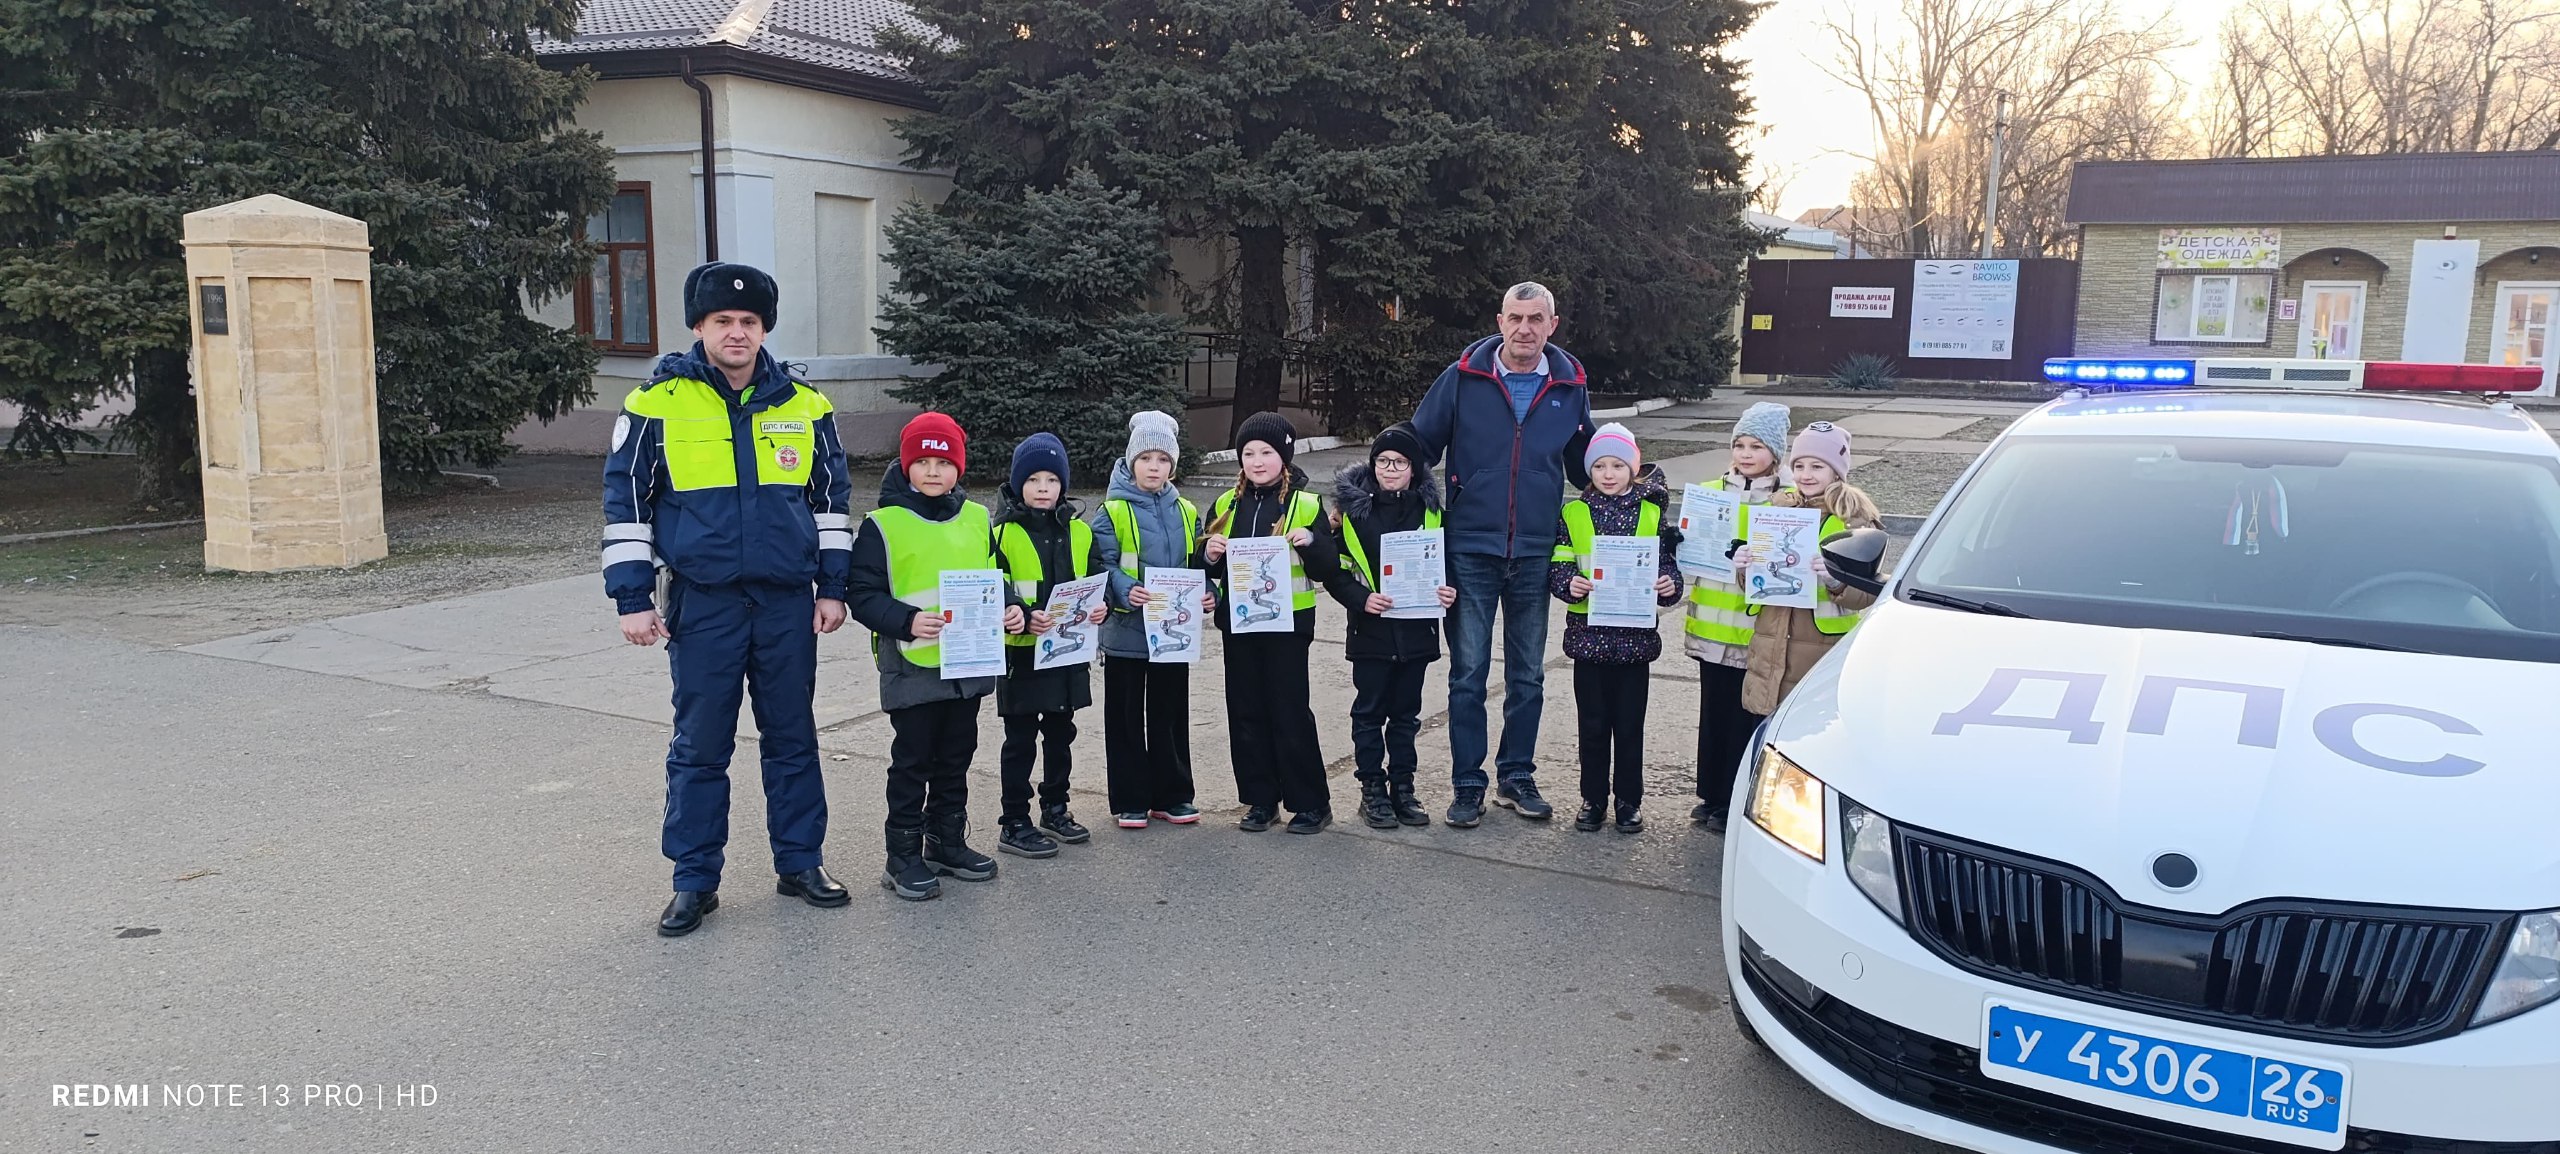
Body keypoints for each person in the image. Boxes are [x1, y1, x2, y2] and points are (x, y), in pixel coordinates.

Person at [602, 261, 857, 938]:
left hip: (784, 604)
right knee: (700, 745)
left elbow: (832, 506)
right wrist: (632, 598)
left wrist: (832, 589)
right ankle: (693, 880)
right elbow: (625, 504)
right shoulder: (655, 404)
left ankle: (801, 862)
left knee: (793, 737)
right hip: (704, 602)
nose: (737, 333)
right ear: (699, 327)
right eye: (723, 322)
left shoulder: (807, 407)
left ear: (764, 328)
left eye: (748, 322)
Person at [1408, 282, 1594, 828]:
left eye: (1536, 318)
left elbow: (1589, 466)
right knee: (1467, 674)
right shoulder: (1464, 377)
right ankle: (1468, 784)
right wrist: (1379, 492)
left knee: (1527, 676)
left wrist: (1635, 480)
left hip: (1537, 551)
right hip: (1469, 548)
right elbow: (1419, 445)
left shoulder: (1569, 386)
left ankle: (1516, 776)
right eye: (1515, 317)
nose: (1525, 329)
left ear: (1552, 324)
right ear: (1500, 319)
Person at [844, 412, 1025, 901]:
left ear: (958, 469)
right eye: (921, 461)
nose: (931, 471)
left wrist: (1013, 606)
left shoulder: (976, 519)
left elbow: (995, 574)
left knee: (956, 757)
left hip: (967, 665)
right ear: (905, 467)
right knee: (912, 760)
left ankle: (946, 841)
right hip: (913, 666)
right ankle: (902, 854)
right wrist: (905, 619)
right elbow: (861, 593)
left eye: (942, 462)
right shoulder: (883, 524)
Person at [1199, 412, 1340, 833]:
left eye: (1267, 452)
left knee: (1289, 711)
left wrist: (1312, 542)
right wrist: (1208, 556)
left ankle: (1311, 803)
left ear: (1284, 456)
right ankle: (1261, 800)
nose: (1257, 461)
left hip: (1288, 627)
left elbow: (1326, 568)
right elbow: (1203, 564)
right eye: (1248, 453)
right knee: (1245, 711)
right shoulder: (1226, 504)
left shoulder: (1306, 504)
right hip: (1240, 625)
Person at [1548, 424, 1683, 834]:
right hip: (1588, 641)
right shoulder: (1573, 513)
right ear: (1590, 471)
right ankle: (1592, 799)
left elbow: (1667, 565)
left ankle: (1629, 801)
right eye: (1601, 465)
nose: (1609, 473)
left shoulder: (1652, 513)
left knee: (1628, 728)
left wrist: (1668, 586)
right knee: (1591, 727)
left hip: (1634, 644)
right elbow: (1559, 563)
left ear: (1633, 469)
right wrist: (1567, 583)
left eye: (1618, 465)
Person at [1322, 422, 1456, 830]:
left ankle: (1403, 789)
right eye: (1383, 461)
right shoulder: (1351, 514)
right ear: (1373, 465)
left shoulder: (1433, 513)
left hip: (1416, 632)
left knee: (1405, 716)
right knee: (1368, 714)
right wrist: (1362, 600)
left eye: (1400, 462)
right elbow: (1336, 571)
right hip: (1371, 632)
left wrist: (1450, 592)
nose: (1391, 468)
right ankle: (1372, 792)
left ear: (1414, 468)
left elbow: (1448, 565)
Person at [991, 432, 1109, 858]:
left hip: (1068, 653)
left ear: (1063, 485)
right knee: (1020, 740)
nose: (1044, 488)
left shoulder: (1080, 532)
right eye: (1034, 480)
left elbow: (1098, 580)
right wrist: (1021, 609)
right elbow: (995, 584)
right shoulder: (1001, 534)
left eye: (1052, 480)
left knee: (1062, 735)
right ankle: (1014, 820)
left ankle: (1055, 807)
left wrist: (1103, 608)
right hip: (1022, 653)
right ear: (1018, 484)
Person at [1093, 411, 1213, 829]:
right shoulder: (1111, 511)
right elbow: (1102, 563)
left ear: (1173, 466)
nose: (1154, 467)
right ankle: (1130, 799)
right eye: (1146, 458)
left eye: (1163, 460)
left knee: (1170, 714)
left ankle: (1174, 795)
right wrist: (1125, 588)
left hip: (1172, 634)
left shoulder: (1185, 510)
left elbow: (1194, 564)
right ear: (1130, 462)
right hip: (1126, 632)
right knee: (1125, 717)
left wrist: (1206, 592)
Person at [1685, 402, 1791, 832]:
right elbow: (1690, 556)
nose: (1746, 454)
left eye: (1757, 446)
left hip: (1755, 632)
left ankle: (1737, 800)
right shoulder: (1710, 492)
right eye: (1740, 444)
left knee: (1748, 720)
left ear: (1776, 453)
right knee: (1713, 713)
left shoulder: (1787, 499)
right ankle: (1710, 795)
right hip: (1711, 629)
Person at [1737, 421, 1881, 717]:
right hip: (1769, 649)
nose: (1805, 475)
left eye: (1817, 466)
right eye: (1799, 465)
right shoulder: (1777, 511)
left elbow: (1870, 593)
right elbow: (1754, 582)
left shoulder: (1853, 520)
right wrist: (1746, 566)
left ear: (1836, 471)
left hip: (1820, 651)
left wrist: (1835, 580)